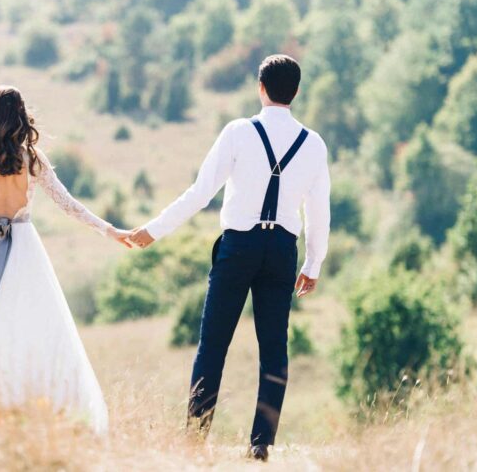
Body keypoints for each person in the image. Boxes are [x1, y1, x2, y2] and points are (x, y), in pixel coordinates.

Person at [129, 55, 331, 461]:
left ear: (261, 88)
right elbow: (319, 210)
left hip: (238, 246)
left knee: (213, 345)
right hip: (281, 251)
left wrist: (154, 230)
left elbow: (201, 192)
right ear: (296, 92)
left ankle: (195, 439)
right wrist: (313, 265)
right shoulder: (313, 143)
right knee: (274, 349)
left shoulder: (239, 132)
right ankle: (261, 446)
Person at [0, 85, 131, 434]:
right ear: (20, 117)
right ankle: (28, 405)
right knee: (29, 327)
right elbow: (68, 204)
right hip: (25, 248)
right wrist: (108, 230)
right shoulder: (32, 159)